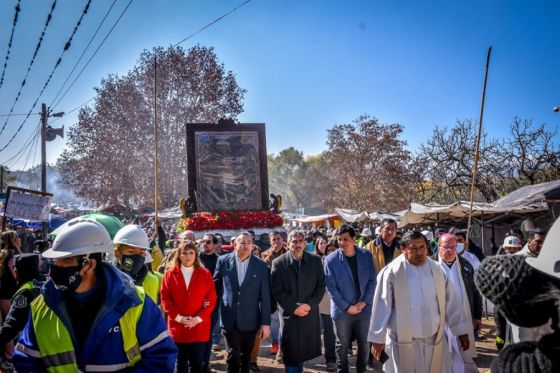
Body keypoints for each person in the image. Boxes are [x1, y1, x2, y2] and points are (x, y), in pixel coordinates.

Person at [13, 219, 177, 371]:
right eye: (55, 260)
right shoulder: (42, 305)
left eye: (65, 260)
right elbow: (25, 362)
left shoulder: (134, 301)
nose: (56, 266)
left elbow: (160, 358)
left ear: (89, 264)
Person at [368, 230, 470, 373]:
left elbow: (451, 301)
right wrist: (378, 338)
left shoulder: (437, 269)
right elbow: (381, 305)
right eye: (413, 248)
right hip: (402, 343)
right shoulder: (391, 272)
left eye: (422, 247)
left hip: (434, 341)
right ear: (403, 249)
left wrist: (461, 331)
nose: (420, 252)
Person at [213, 232, 271, 373]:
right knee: (233, 355)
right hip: (229, 317)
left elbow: (265, 296)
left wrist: (265, 323)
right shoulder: (223, 261)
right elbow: (216, 287)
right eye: (242, 242)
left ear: (252, 245)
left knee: (246, 357)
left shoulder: (261, 266)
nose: (245, 245)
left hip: (251, 319)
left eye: (248, 242)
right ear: (235, 244)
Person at [270, 230, 325, 372]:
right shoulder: (278, 263)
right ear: (288, 244)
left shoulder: (315, 261)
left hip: (308, 312)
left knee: (302, 354)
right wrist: (294, 308)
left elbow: (320, 286)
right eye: (294, 241)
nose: (298, 244)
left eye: (301, 241)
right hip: (289, 314)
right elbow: (277, 290)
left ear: (305, 243)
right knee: (291, 354)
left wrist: (309, 305)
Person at [324, 225, 376, 373]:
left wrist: (364, 303)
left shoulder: (366, 255)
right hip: (342, 311)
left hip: (364, 309)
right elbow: (331, 288)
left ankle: (361, 370)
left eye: (346, 239)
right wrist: (347, 307)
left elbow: (373, 281)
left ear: (354, 239)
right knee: (342, 345)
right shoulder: (330, 260)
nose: (342, 242)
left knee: (365, 344)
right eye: (339, 239)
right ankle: (343, 370)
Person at [161, 242, 217, 373]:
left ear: (196, 255)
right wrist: (180, 319)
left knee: (197, 364)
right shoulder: (169, 274)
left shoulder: (205, 274)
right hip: (178, 327)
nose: (188, 256)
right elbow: (165, 300)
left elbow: (211, 299)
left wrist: (198, 319)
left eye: (191, 253)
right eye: (184, 253)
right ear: (179, 255)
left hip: (199, 327)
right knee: (180, 364)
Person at [434, 234, 481, 373]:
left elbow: (475, 291)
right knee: (441, 356)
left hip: (462, 317)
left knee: (461, 354)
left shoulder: (466, 266)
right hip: (439, 319)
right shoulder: (430, 265)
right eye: (446, 247)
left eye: (453, 247)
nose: (449, 251)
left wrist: (477, 315)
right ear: (439, 247)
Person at [0, 254, 42, 351]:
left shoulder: (24, 293)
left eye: (15, 268)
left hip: (33, 346)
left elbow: (11, 326)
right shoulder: (45, 283)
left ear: (17, 271)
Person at [113, 224, 161, 303]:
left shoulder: (152, 280)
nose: (137, 257)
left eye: (141, 252)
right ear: (117, 254)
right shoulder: (108, 281)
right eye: (131, 251)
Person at [260, 231, 287, 357]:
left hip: (286, 290)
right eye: (274, 239)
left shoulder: (289, 252)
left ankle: (283, 346)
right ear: (270, 242)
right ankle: (275, 343)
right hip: (271, 290)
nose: (276, 241)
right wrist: (272, 254)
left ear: (282, 240)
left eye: (278, 239)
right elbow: (265, 269)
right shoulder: (265, 254)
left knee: (284, 319)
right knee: (275, 319)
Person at [199, 234, 222, 369]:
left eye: (208, 242)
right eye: (203, 241)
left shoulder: (220, 261)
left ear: (215, 245)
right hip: (194, 303)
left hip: (212, 305)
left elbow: (220, 284)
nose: (204, 244)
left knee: (207, 335)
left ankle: (204, 363)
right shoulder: (195, 259)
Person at [0, 230, 22, 366]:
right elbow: (16, 277)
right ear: (13, 240)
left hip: (3, 295)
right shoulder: (13, 256)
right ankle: (10, 356)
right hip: (9, 295)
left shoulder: (3, 254)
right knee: (10, 326)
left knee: (6, 325)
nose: (20, 239)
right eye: (17, 237)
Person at [318, 241, 338, 371]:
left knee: (342, 335)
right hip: (326, 305)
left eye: (333, 249)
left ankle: (341, 358)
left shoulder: (345, 262)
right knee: (329, 334)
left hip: (345, 305)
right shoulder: (321, 263)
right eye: (328, 250)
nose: (331, 252)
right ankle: (330, 360)